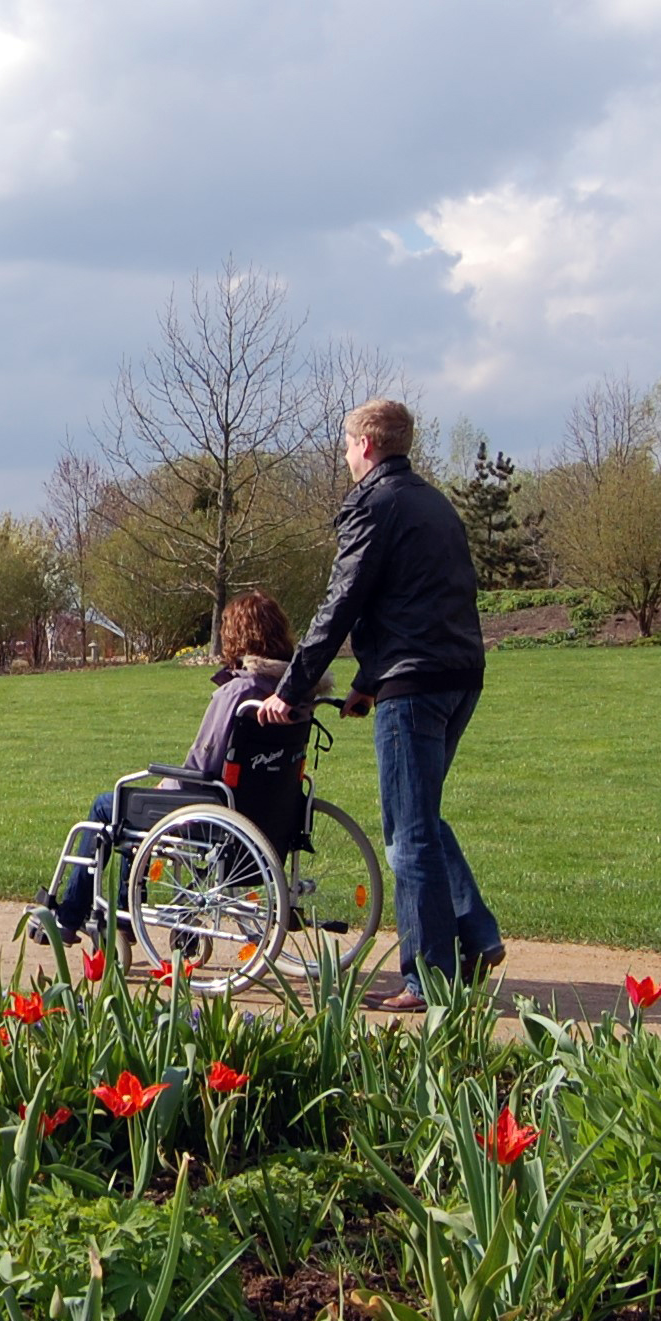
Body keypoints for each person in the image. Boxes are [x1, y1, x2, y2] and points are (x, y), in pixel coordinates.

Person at [256, 397, 500, 1011]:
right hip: (458, 675)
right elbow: (417, 601)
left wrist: (291, 689)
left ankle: (427, 977)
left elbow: (341, 604)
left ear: (365, 444)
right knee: (423, 817)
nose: (343, 453)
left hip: (415, 688)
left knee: (407, 835)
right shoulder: (435, 504)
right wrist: (367, 679)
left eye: (344, 442)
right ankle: (474, 933)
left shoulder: (373, 504)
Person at [39, 590, 300, 940]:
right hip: (269, 810)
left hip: (211, 808)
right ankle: (121, 916)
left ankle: (69, 917)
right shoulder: (289, 693)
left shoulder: (239, 693)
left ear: (236, 636)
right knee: (135, 813)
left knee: (107, 808)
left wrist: (165, 786)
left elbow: (203, 761)